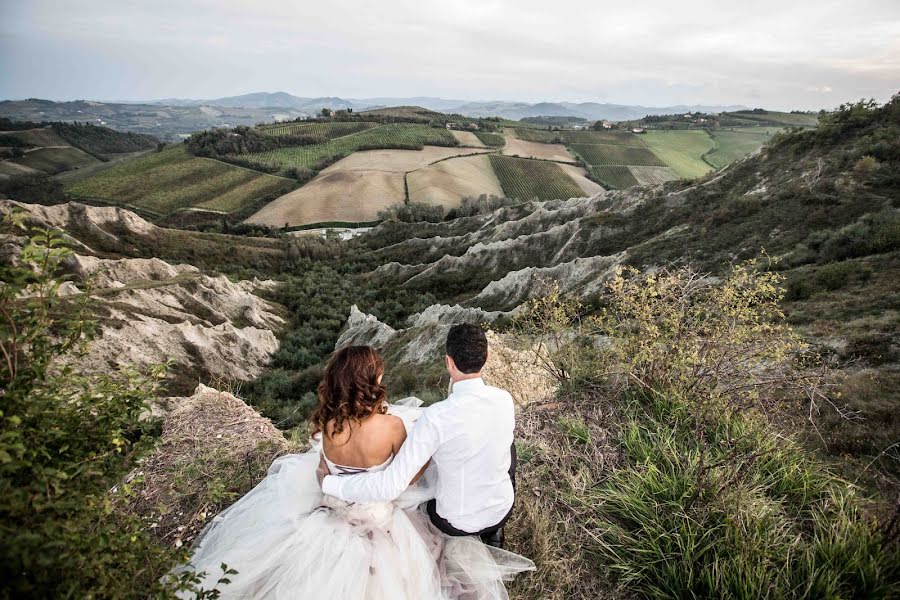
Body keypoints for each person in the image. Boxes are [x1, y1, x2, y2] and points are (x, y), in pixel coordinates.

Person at [174, 344, 533, 599]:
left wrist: (333, 483)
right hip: (381, 517)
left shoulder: (329, 426)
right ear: (369, 379)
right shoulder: (391, 427)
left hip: (338, 514)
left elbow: (325, 468)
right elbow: (409, 473)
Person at [320, 324, 518, 548]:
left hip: (453, 523)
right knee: (508, 447)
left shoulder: (436, 417)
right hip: (502, 510)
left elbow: (391, 486)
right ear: (487, 357)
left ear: (448, 362)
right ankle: (494, 532)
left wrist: (330, 484)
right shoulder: (504, 399)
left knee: (430, 470)